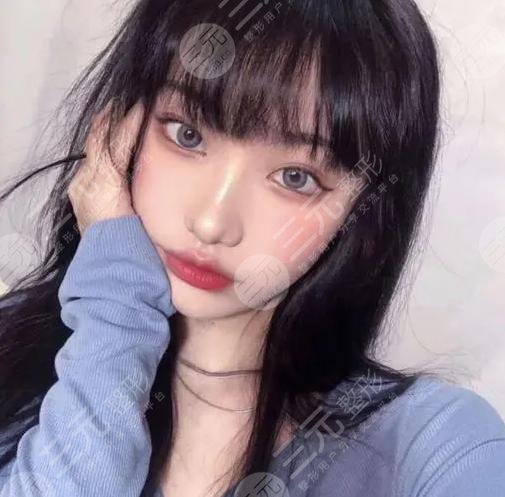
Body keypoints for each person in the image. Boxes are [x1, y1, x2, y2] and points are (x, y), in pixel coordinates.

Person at [1, 0, 504, 496]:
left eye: (295, 177)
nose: (211, 222)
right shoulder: (11, 360)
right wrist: (116, 312)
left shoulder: (434, 448)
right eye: (187, 134)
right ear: (116, 129)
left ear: (362, 208)